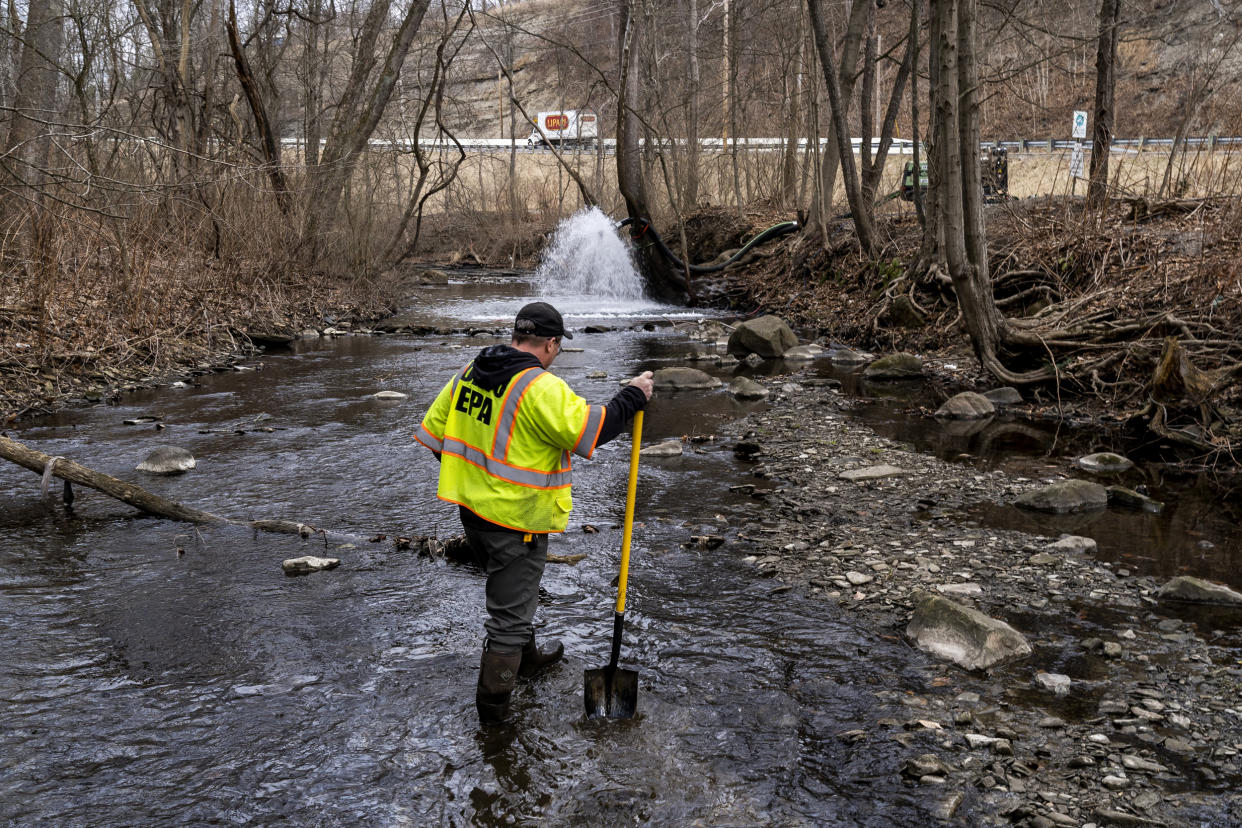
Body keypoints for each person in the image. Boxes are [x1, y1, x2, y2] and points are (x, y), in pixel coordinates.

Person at [415, 301, 654, 725]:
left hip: (473, 514)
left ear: (516, 336)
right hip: (515, 523)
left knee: (515, 599)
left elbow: (434, 436)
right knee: (507, 620)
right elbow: (592, 430)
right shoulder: (539, 387)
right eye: (557, 346)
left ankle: (528, 661)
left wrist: (479, 483)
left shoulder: (472, 370)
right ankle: (494, 720)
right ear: (550, 343)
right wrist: (633, 395)